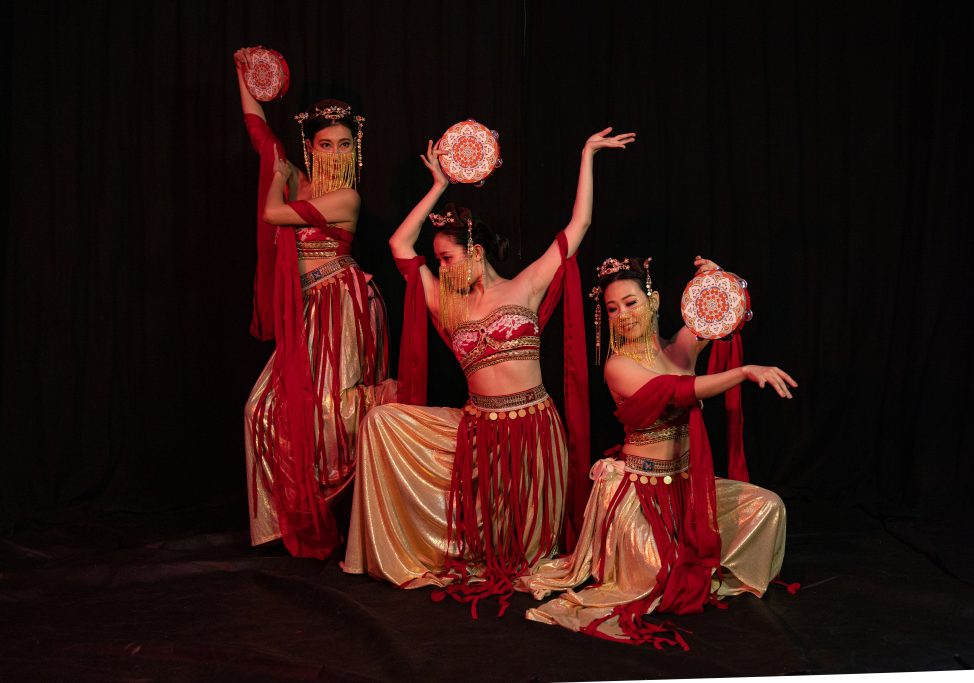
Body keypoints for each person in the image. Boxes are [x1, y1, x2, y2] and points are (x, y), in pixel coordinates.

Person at [343, 128, 635, 616]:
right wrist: (438, 185)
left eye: (447, 257)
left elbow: (578, 225)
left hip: (534, 429)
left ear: (475, 250)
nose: (440, 266)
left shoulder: (524, 287)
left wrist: (586, 155)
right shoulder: (447, 306)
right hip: (480, 432)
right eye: (436, 260)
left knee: (530, 557)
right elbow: (398, 244)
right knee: (380, 421)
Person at [517, 255, 796, 648]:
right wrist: (744, 372)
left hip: (686, 488)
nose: (622, 315)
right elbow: (678, 392)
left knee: (768, 507)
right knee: (658, 577)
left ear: (655, 301)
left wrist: (714, 280)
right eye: (612, 309)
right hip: (639, 495)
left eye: (630, 303)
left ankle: (706, 562)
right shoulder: (618, 365)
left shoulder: (680, 347)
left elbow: (721, 315)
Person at [234, 48, 395, 560]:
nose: (335, 153)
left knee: (331, 411)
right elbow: (259, 132)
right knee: (262, 409)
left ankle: (343, 506)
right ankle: (288, 517)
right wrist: (244, 74)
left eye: (344, 144)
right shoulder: (300, 178)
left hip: (342, 305)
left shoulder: (345, 198)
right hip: (309, 311)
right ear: (312, 146)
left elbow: (271, 214)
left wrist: (279, 176)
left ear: (355, 148)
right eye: (325, 144)